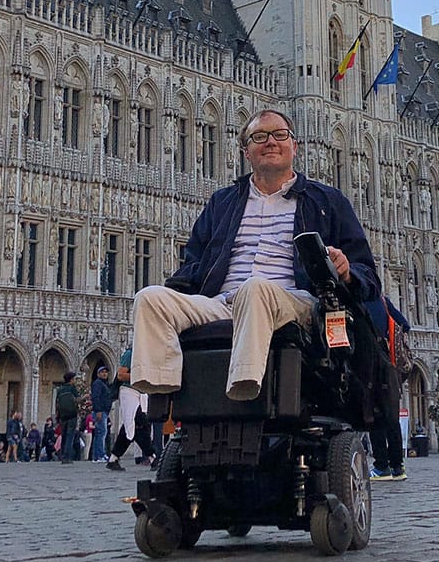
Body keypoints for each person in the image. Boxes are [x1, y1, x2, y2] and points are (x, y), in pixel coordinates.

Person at [129, 108, 380, 401]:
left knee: (255, 288)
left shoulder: (327, 201)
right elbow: (194, 263)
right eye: (259, 137)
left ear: (294, 146)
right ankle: (165, 388)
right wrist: (176, 293)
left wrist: (347, 271)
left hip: (292, 303)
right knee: (150, 298)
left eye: (279, 135)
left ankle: (244, 388)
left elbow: (368, 276)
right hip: (223, 302)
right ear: (246, 151)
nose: (270, 142)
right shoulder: (223, 202)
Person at [368, 297, 411, 480]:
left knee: (374, 414)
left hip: (369, 364)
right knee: (391, 416)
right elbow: (404, 325)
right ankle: (397, 467)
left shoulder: (354, 298)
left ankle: (381, 466)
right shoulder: (382, 301)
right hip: (390, 365)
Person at [106, 347, 159, 471]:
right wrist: (140, 375)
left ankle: (113, 458)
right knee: (139, 423)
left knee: (131, 427)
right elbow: (121, 375)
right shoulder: (131, 353)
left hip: (141, 393)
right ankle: (152, 457)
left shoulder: (146, 354)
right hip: (129, 391)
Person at [54, 373, 80, 464]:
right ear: (71, 380)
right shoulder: (72, 388)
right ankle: (67, 457)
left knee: (64, 435)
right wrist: (85, 397)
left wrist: (58, 415)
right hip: (72, 415)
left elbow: (57, 403)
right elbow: (77, 399)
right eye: (74, 379)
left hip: (63, 416)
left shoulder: (60, 389)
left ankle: (62, 456)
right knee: (70, 436)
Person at [90, 365, 113, 462]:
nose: (105, 374)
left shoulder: (104, 384)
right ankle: (100, 455)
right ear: (98, 374)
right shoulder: (98, 384)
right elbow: (96, 397)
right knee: (102, 433)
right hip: (101, 411)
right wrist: (98, 410)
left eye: (106, 372)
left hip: (104, 411)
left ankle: (97, 456)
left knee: (100, 433)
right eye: (102, 372)